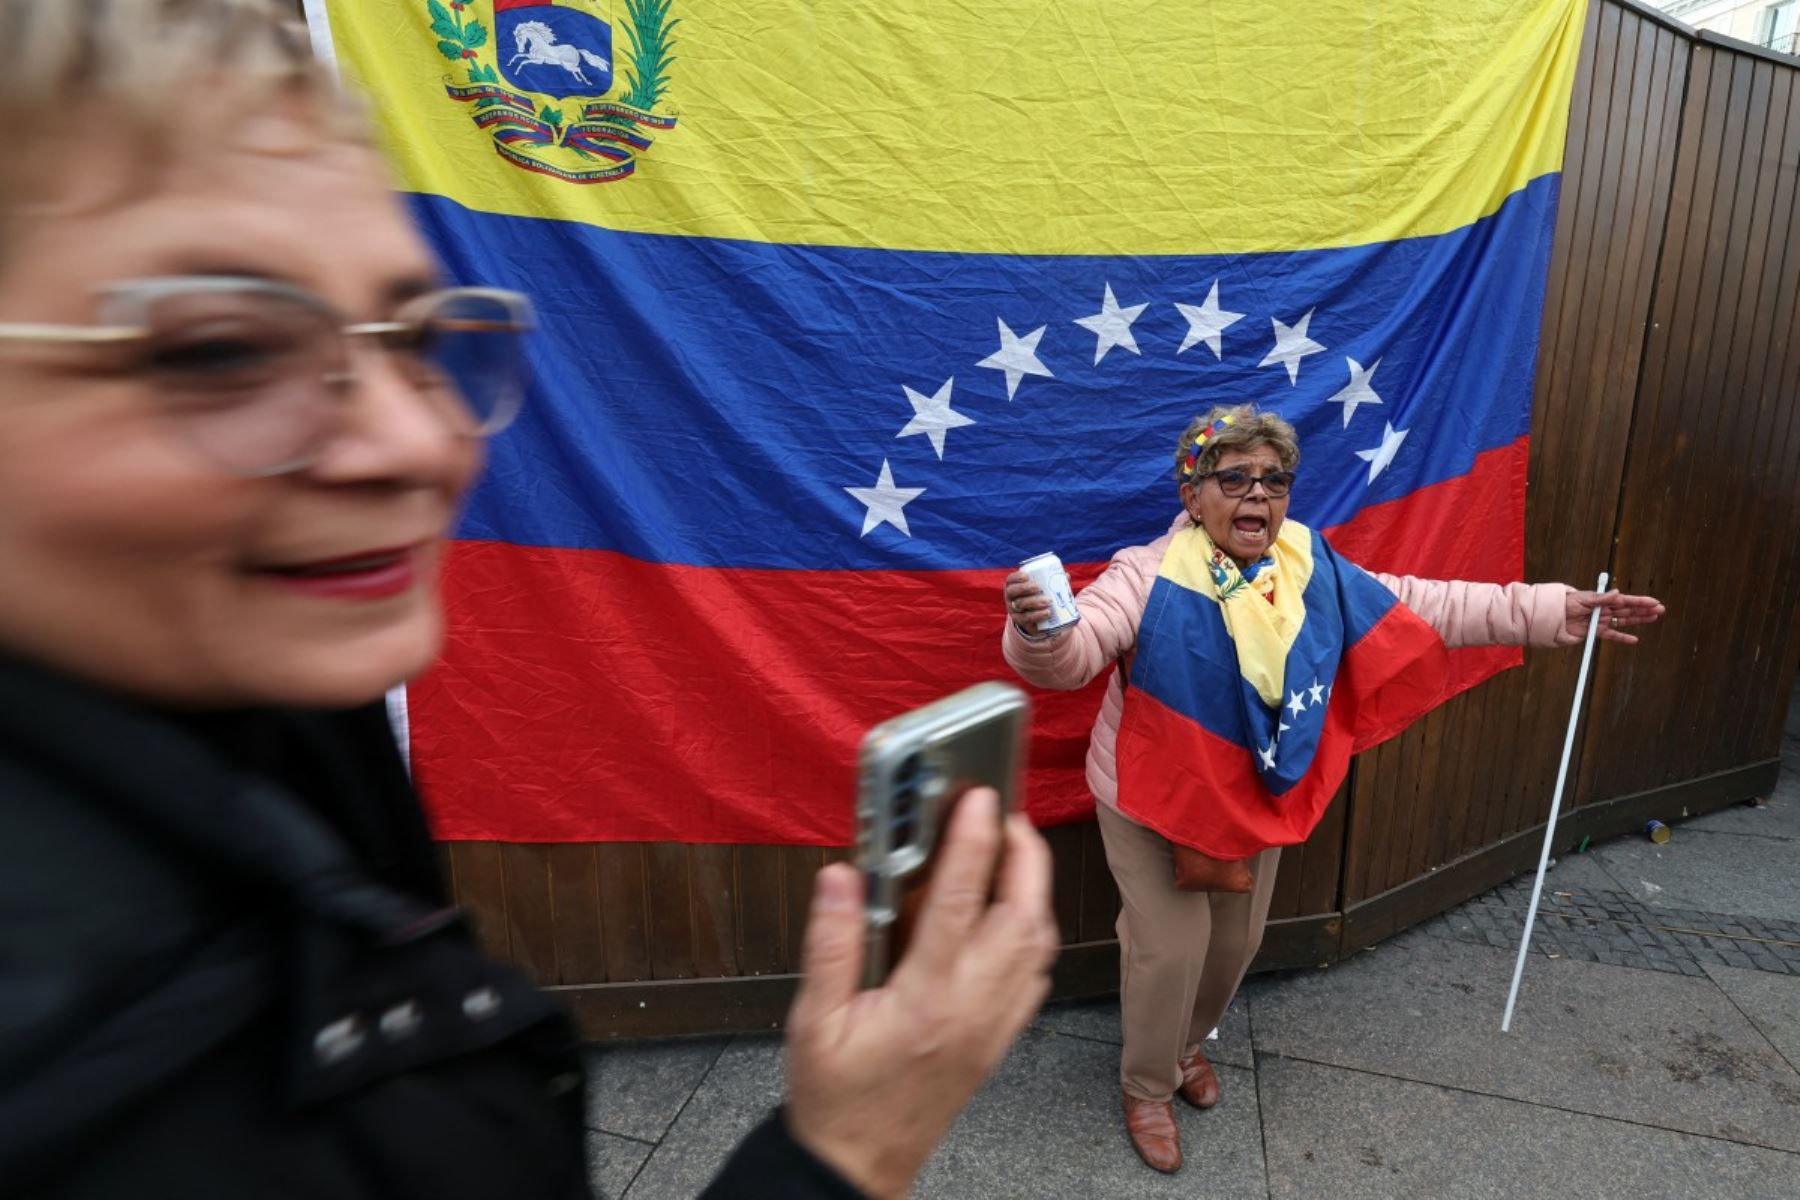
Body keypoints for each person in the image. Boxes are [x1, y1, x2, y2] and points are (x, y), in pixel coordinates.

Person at [0, 3, 1058, 1197]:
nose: (413, 438)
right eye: (220, 352)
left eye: (410, 337)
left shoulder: (274, 705)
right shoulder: (89, 1100)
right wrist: (849, 1153)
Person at [1001, 404, 1663, 1174]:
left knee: (1237, 943)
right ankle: (1146, 1086)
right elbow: (1074, 655)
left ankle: (1185, 1048)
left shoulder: (1310, 565)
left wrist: (1554, 611)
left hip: (1256, 790)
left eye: (1275, 480)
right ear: (1193, 495)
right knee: (1169, 948)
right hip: (1151, 795)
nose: (1258, 495)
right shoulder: (1144, 573)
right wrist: (1039, 632)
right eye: (1236, 477)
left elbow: (1429, 604)